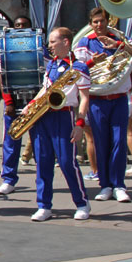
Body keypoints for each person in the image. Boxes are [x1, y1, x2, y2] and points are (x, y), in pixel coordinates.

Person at [29, 27, 92, 222]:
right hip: (44, 116)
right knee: (43, 161)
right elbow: (45, 89)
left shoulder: (79, 67)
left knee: (67, 162)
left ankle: (82, 203)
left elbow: (85, 98)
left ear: (66, 42)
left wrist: (80, 123)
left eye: (53, 42)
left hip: (65, 116)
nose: (50, 46)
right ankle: (44, 205)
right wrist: (31, 105)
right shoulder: (52, 65)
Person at [75, 7, 132, 203]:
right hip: (97, 99)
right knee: (101, 142)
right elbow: (76, 70)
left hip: (118, 98)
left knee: (119, 141)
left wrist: (118, 44)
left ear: (108, 21)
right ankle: (105, 185)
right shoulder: (85, 43)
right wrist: (92, 62)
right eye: (95, 22)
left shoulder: (120, 39)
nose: (99, 25)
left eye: (102, 21)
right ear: (90, 24)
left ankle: (119, 185)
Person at [0, 15, 35, 195]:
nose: (20, 28)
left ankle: (43, 179)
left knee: (39, 142)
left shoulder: (38, 45)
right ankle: (9, 179)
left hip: (35, 101)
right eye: (17, 25)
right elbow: (2, 76)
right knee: (11, 141)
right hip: (14, 101)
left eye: (24, 25)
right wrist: (9, 101)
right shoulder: (6, 48)